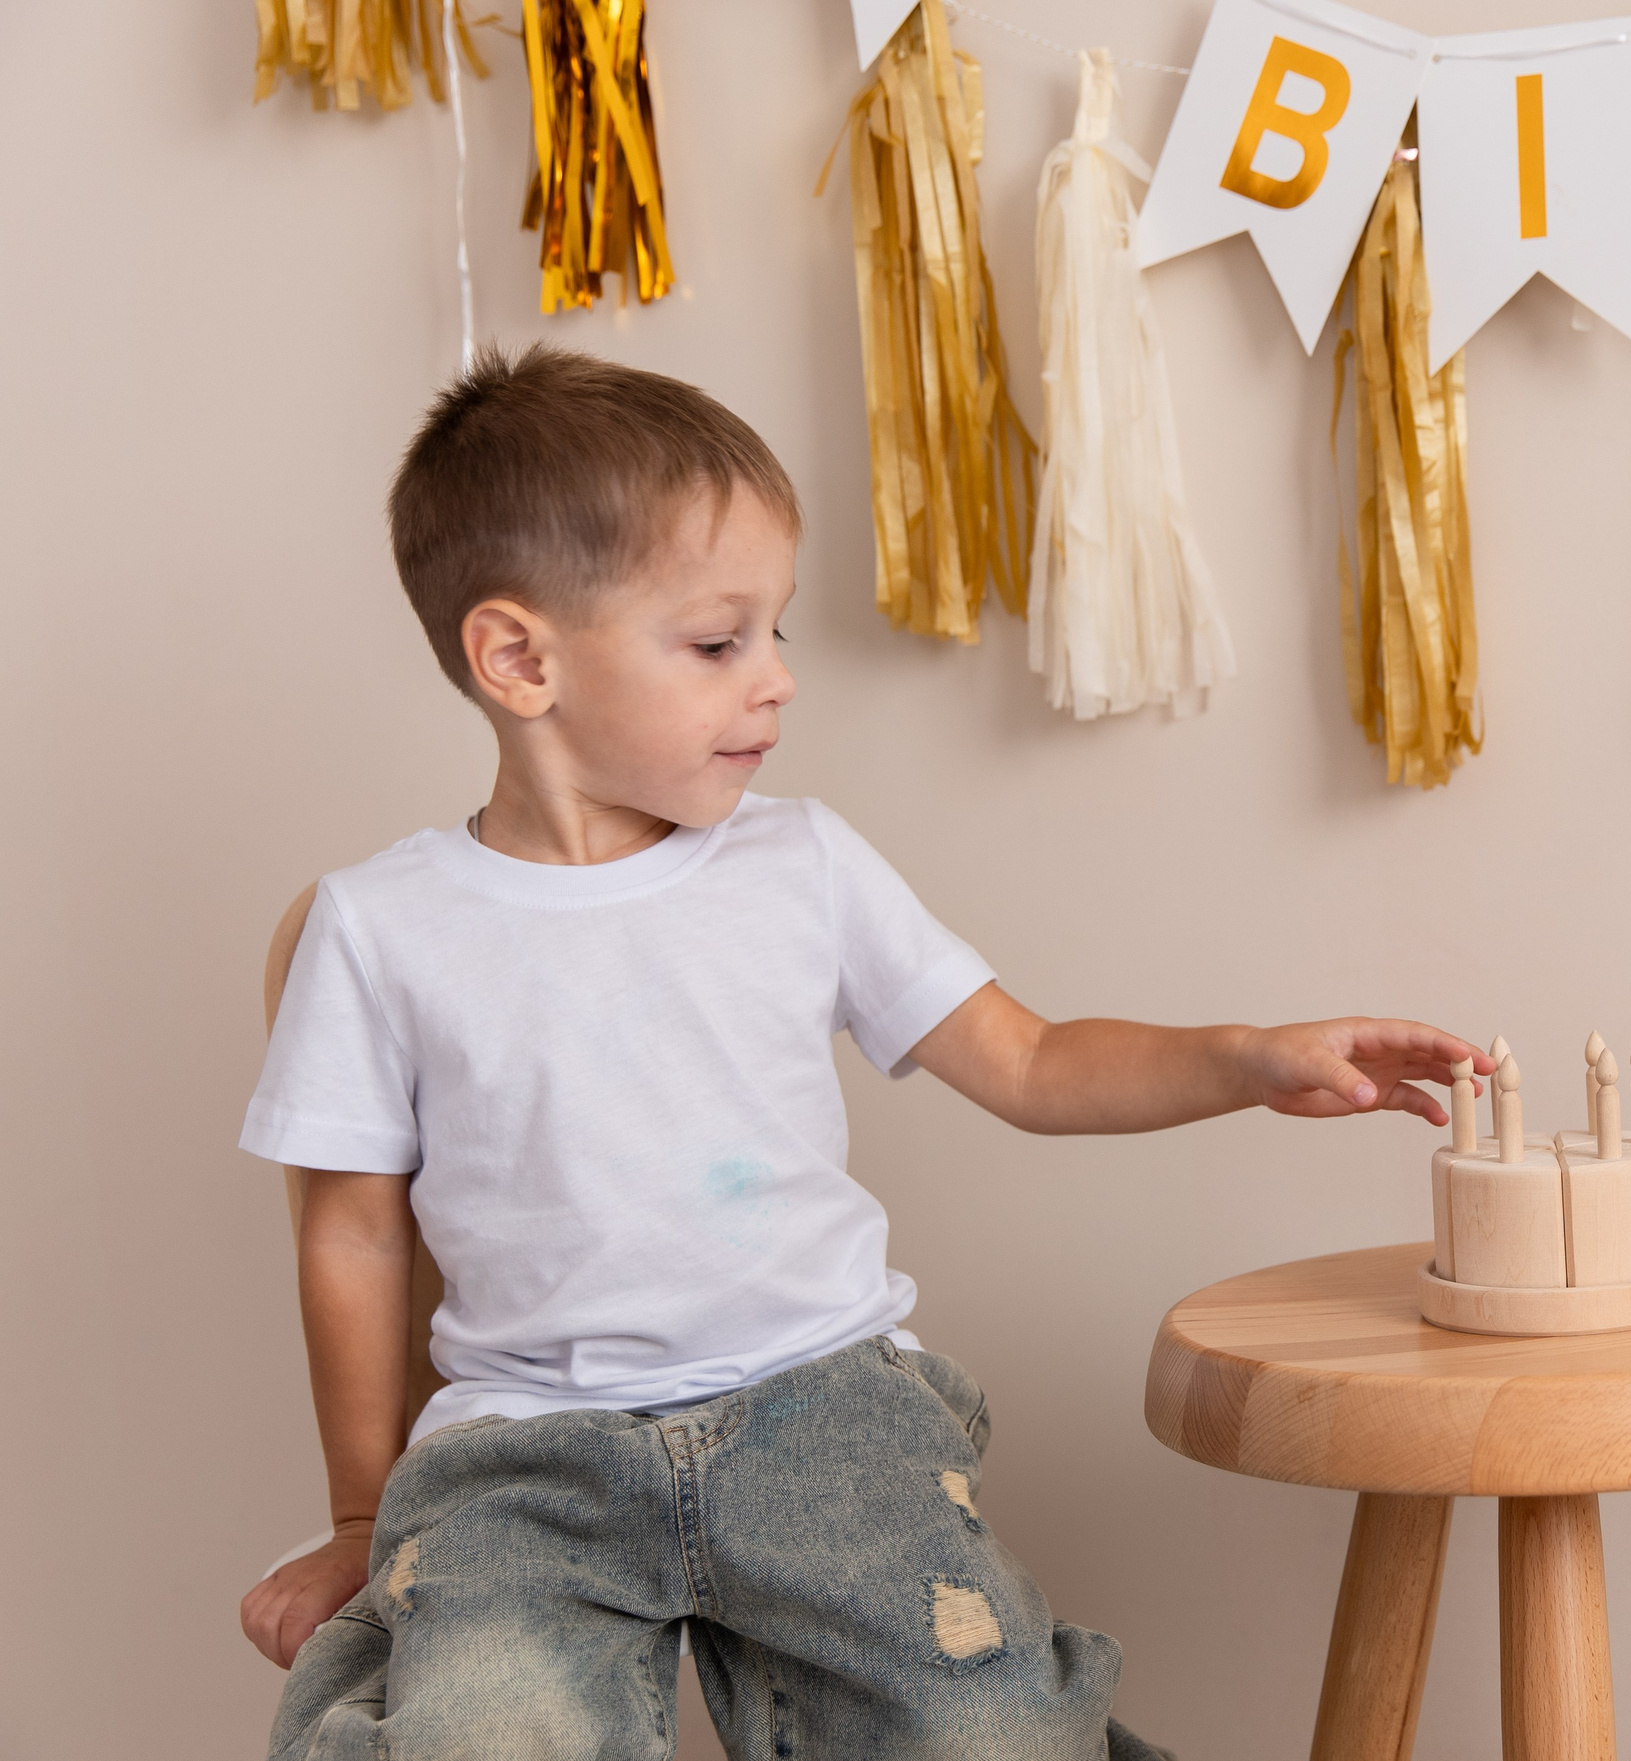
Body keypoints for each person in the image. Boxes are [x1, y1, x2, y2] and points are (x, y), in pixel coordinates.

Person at [238, 344, 1486, 1760]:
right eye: (719, 643)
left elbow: (1030, 1060)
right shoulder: (379, 928)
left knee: (987, 1726)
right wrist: (362, 1513)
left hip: (817, 1407)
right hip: (529, 1452)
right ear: (519, 658)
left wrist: (1249, 1056)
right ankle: (406, 1639)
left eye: (774, 634)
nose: (774, 681)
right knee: (472, 1736)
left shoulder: (802, 865)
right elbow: (351, 1238)